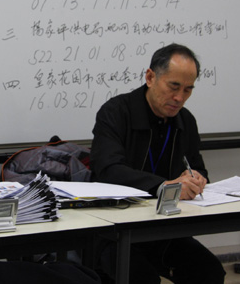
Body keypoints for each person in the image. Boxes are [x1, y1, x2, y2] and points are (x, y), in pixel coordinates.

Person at [90, 43, 225, 284]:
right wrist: (164, 186)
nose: (179, 98)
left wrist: (197, 178)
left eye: (188, 90)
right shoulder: (116, 112)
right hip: (114, 230)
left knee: (209, 272)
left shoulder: (185, 120)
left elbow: (197, 166)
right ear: (151, 77)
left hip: (163, 228)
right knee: (142, 278)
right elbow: (108, 170)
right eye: (174, 86)